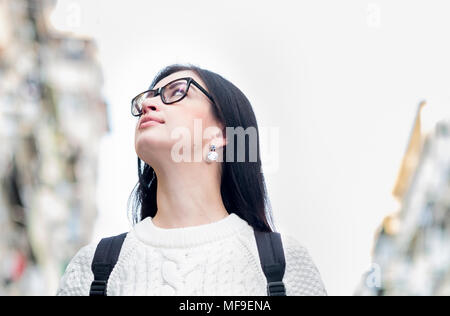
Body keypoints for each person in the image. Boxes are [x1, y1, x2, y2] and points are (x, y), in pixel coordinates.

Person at [56, 63, 327, 296]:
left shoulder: (282, 265)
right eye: (146, 100)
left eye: (176, 92)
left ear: (221, 134)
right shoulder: (93, 268)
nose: (148, 104)